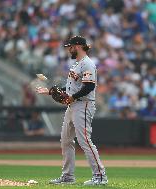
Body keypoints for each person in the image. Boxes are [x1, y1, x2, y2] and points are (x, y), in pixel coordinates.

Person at [36, 36, 108, 185]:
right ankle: (68, 176)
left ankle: (100, 176)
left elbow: (89, 87)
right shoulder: (77, 64)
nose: (69, 49)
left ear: (78, 46)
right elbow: (69, 89)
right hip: (73, 105)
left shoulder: (87, 64)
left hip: (83, 105)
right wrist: (50, 91)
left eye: (71, 46)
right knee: (66, 140)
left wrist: (73, 97)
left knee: (85, 141)